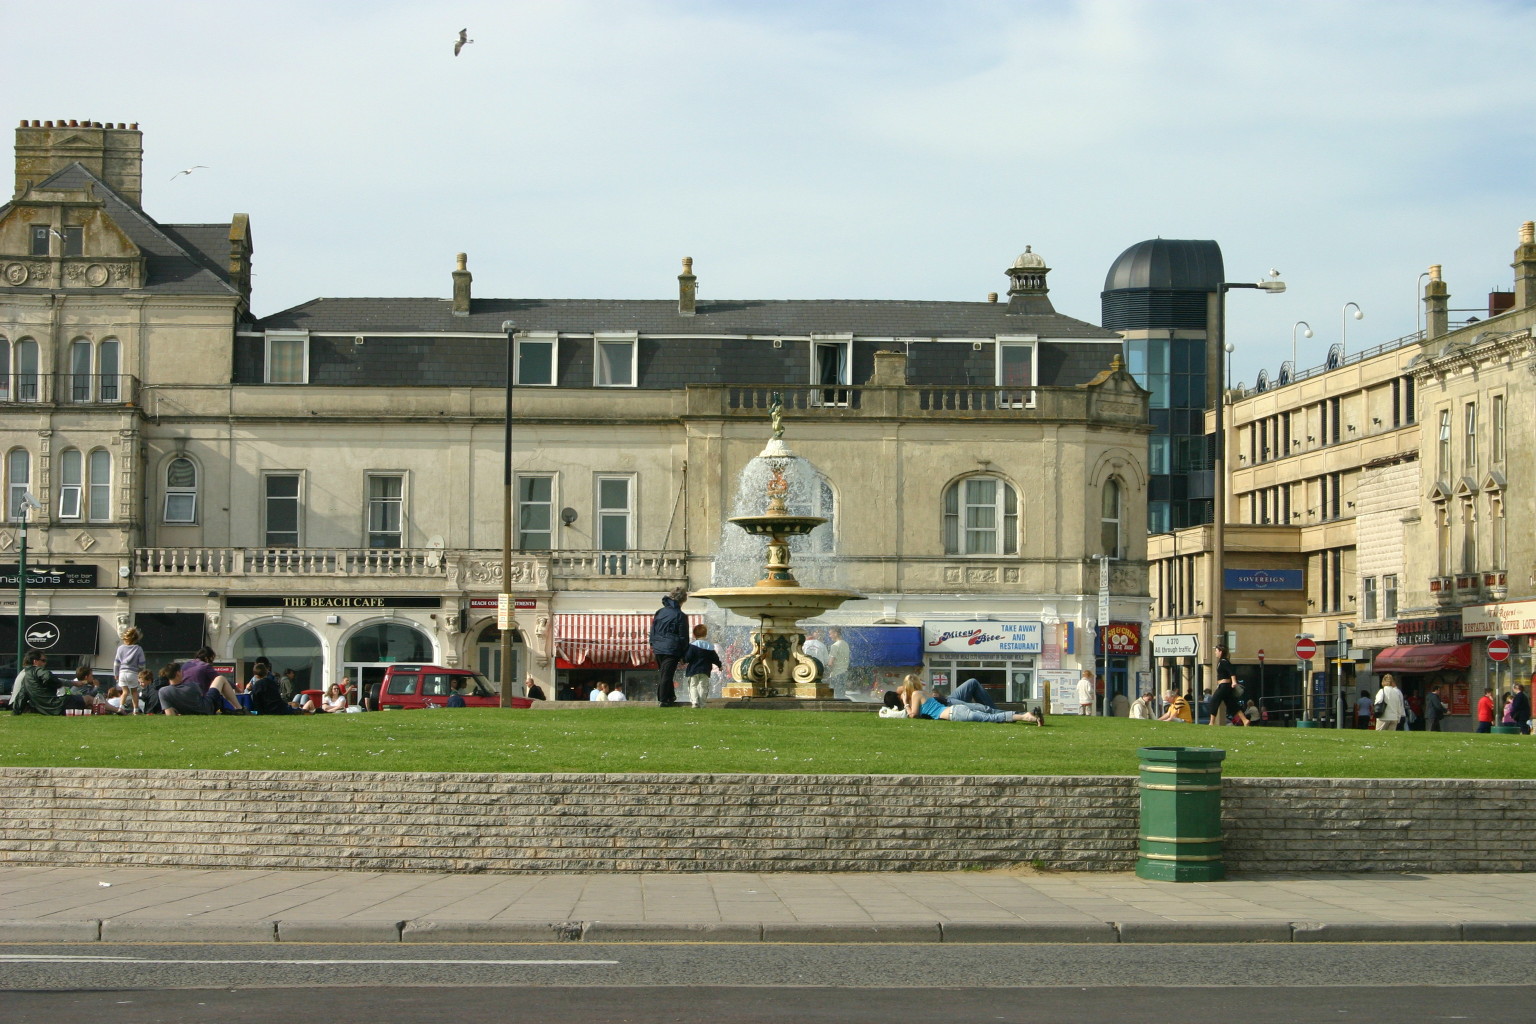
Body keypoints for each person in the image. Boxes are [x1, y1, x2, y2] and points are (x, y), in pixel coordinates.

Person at [897, 675, 1041, 724]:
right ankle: (1027, 716)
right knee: (988, 713)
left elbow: (913, 715)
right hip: (954, 709)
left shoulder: (916, 695)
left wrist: (905, 704)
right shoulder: (922, 693)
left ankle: (1025, 716)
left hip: (954, 710)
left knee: (989, 714)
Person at [649, 587, 690, 707]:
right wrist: (684, 654)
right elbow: (683, 636)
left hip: (659, 646)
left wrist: (653, 644)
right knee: (667, 674)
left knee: (665, 672)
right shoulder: (680, 615)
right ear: (682, 600)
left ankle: (670, 696)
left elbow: (653, 630)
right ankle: (664, 699)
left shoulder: (660, 612)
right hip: (671, 648)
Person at [9, 650, 67, 715]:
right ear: (35, 661)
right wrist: (58, 685)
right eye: (43, 660)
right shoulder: (36, 671)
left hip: (19, 704)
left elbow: (22, 695)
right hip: (32, 705)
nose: (45, 663)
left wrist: (15, 712)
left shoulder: (25, 673)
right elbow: (48, 677)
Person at [683, 624, 723, 709]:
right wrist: (719, 665)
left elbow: (688, 657)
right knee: (703, 687)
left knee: (693, 686)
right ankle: (702, 703)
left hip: (693, 670)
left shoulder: (692, 645)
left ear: (694, 634)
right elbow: (715, 658)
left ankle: (695, 702)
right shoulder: (710, 646)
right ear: (705, 634)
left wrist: (683, 660)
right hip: (705, 670)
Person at [1208, 644, 1249, 726]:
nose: (1215, 652)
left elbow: (1231, 671)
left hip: (1224, 686)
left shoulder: (1224, 661)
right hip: (1224, 686)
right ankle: (1245, 720)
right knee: (1232, 704)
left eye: (1216, 651)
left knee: (1214, 701)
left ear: (1220, 652)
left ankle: (1211, 722)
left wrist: (1234, 682)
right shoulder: (1222, 661)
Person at [112, 626, 146, 714]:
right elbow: (142, 663)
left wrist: (116, 674)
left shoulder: (120, 648)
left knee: (125, 692)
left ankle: (121, 708)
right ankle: (136, 709)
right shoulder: (138, 649)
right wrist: (140, 671)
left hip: (122, 673)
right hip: (133, 673)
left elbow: (116, 663)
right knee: (134, 692)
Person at [824, 627, 851, 699]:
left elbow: (830, 663)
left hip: (836, 674)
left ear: (835, 634)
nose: (829, 636)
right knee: (841, 695)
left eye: (830, 634)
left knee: (835, 696)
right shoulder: (845, 644)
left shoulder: (835, 646)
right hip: (844, 672)